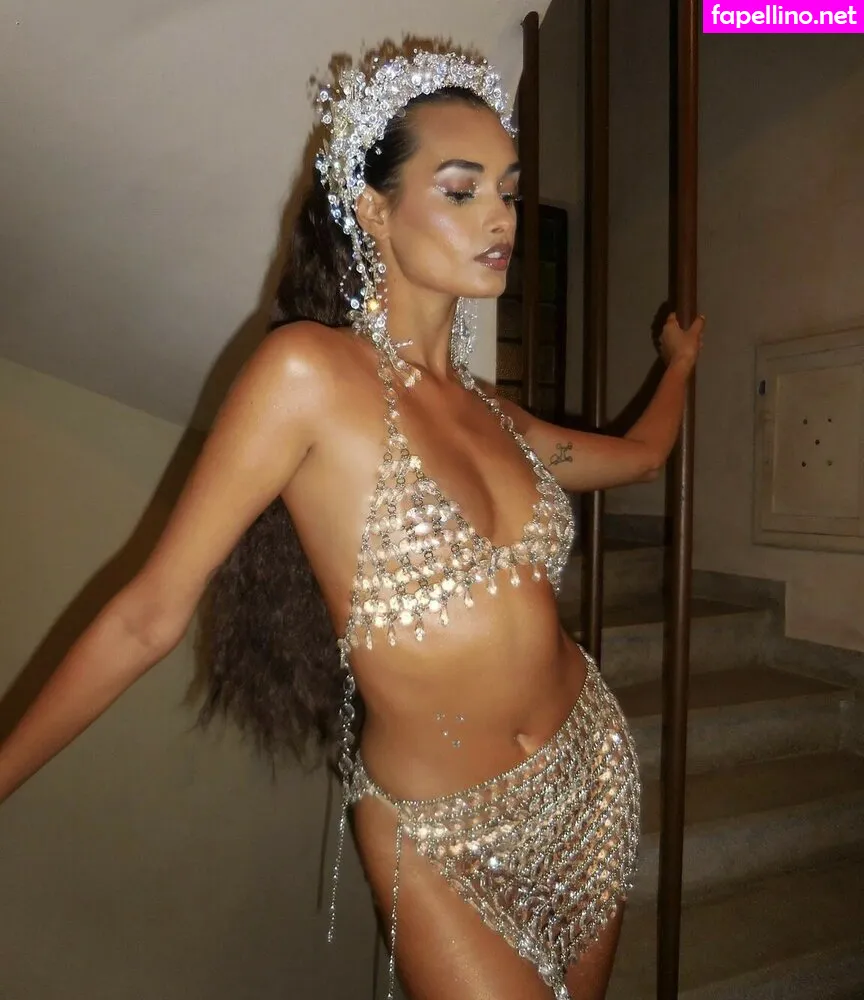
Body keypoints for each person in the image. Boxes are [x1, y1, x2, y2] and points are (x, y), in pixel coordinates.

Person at [0, 47, 704, 1000]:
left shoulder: (499, 416)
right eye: (460, 190)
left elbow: (644, 458)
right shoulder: (307, 375)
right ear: (374, 209)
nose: (501, 217)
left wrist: (680, 364)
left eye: (507, 190)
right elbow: (146, 616)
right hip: (437, 833)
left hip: (588, 774)